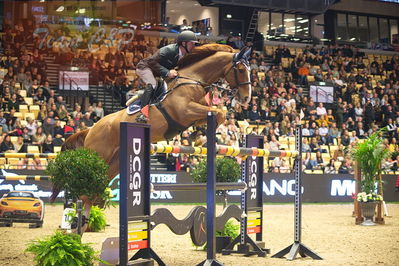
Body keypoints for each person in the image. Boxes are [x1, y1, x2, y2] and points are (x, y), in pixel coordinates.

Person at [135, 30, 199, 122]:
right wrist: (167, 72)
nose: (193, 46)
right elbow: (151, 61)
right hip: (144, 67)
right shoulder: (169, 50)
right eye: (192, 43)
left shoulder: (184, 55)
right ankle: (142, 114)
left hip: (157, 72)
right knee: (153, 84)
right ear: (184, 43)